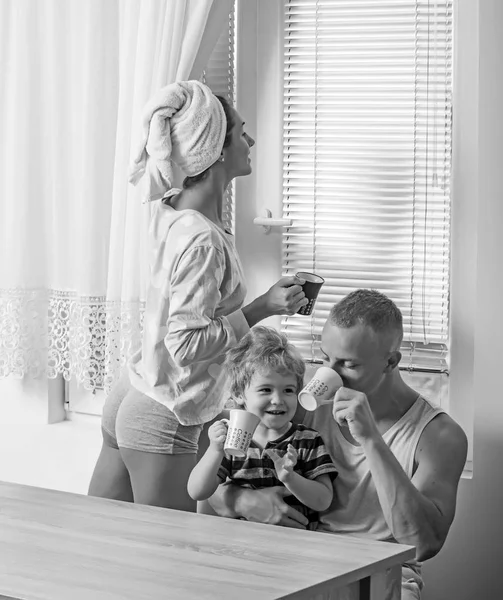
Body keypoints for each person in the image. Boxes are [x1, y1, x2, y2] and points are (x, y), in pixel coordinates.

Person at [88, 80, 308, 511]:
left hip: (136, 390)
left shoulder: (171, 210)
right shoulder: (203, 239)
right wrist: (263, 307)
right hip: (163, 413)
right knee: (172, 565)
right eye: (241, 132)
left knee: (105, 549)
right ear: (217, 151)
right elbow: (185, 345)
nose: (251, 140)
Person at [208, 289, 468, 600]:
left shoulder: (438, 435)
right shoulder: (301, 405)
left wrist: (371, 439)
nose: (330, 373)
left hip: (384, 569)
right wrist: (240, 500)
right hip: (302, 554)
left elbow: (424, 544)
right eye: (326, 358)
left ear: (391, 362)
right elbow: (209, 489)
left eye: (348, 364)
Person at [187, 326, 338, 527]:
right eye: (266, 389)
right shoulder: (231, 441)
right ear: (239, 394)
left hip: (295, 546)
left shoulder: (307, 440)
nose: (277, 400)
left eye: (288, 390)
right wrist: (215, 450)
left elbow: (323, 501)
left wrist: (291, 478)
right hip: (239, 546)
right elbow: (197, 491)